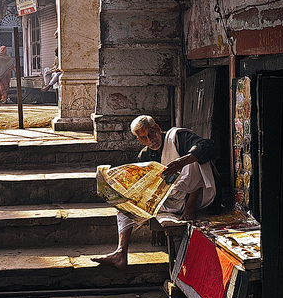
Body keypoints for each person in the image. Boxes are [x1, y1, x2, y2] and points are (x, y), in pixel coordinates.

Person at [91, 115, 218, 269]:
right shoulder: (145, 155)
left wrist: (181, 163)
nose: (150, 140)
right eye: (144, 138)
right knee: (124, 205)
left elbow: (209, 146)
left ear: (158, 128)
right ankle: (120, 253)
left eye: (151, 133)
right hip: (168, 200)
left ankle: (190, 204)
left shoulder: (177, 138)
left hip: (195, 198)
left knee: (193, 159)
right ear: (139, 140)